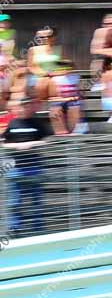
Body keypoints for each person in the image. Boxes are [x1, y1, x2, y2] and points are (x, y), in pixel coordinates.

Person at [2, 97, 53, 235]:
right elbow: (4, 143)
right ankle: (14, 228)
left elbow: (48, 141)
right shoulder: (12, 123)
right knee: (14, 200)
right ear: (18, 108)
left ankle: (38, 228)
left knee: (36, 199)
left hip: (34, 166)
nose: (24, 109)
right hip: (15, 167)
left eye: (27, 106)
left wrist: (32, 144)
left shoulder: (38, 123)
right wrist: (17, 146)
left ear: (31, 108)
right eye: (22, 106)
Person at [48, 59, 82, 135]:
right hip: (60, 101)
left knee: (74, 107)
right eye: (62, 68)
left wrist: (73, 98)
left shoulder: (75, 77)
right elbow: (53, 97)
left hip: (73, 101)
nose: (65, 70)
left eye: (68, 68)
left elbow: (79, 93)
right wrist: (66, 99)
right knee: (55, 110)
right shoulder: (54, 80)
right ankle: (61, 133)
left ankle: (74, 133)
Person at [27, 27, 61, 101]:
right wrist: (43, 74)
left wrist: (53, 74)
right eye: (41, 37)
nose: (45, 38)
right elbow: (30, 67)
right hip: (38, 76)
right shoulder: (32, 50)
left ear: (53, 37)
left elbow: (65, 65)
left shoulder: (60, 49)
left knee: (52, 82)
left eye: (48, 36)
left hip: (55, 76)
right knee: (42, 83)